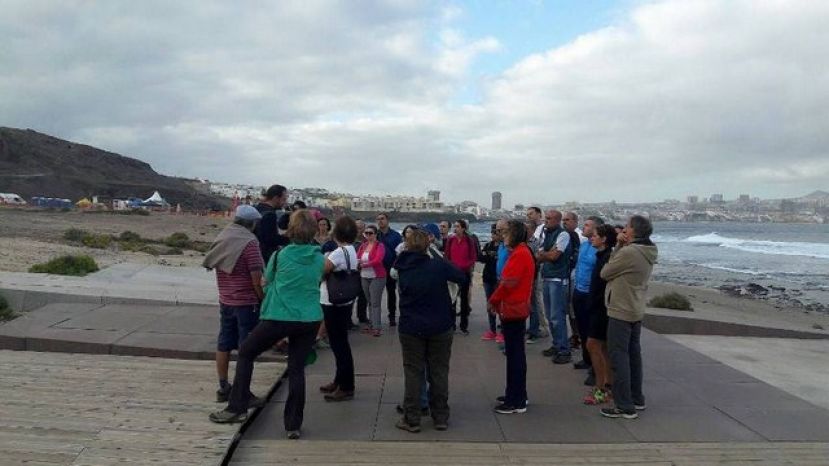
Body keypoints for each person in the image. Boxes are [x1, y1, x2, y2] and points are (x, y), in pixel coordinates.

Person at [210, 209, 324, 441]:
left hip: (280, 316)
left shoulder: (280, 255)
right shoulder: (320, 257)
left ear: (290, 231)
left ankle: (237, 407)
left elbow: (267, 279)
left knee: (246, 352)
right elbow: (320, 276)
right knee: (296, 369)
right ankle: (293, 425)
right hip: (310, 318)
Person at [394, 229, 469, 432]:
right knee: (439, 371)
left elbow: (394, 274)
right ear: (427, 246)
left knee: (413, 371)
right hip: (439, 323)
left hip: (411, 325)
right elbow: (460, 276)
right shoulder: (437, 265)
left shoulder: (401, 266)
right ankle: (440, 416)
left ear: (408, 245)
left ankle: (412, 418)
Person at [203, 205, 265, 403]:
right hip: (246, 303)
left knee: (224, 344)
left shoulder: (223, 237)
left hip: (226, 299)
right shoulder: (249, 243)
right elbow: (256, 278)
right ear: (253, 224)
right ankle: (242, 392)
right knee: (246, 349)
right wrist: (263, 298)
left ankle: (223, 387)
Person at [600, 215, 658, 420]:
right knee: (633, 355)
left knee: (619, 357)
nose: (624, 229)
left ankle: (624, 405)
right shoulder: (648, 250)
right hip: (635, 307)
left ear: (634, 231)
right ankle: (636, 397)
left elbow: (606, 272)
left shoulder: (630, 252)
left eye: (627, 226)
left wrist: (618, 247)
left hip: (621, 309)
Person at [489, 219, 534, 414]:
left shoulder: (520, 254)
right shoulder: (521, 252)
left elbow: (508, 282)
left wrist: (493, 300)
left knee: (514, 355)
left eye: (506, 233)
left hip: (513, 309)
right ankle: (516, 393)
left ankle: (516, 399)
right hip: (516, 307)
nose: (503, 236)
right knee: (515, 353)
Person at [319, 216, 359, 402]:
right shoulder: (351, 250)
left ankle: (346, 385)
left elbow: (322, 271)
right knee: (340, 342)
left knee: (339, 344)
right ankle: (340, 380)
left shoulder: (337, 253)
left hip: (332, 302)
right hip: (344, 301)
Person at [583, 223, 617, 406]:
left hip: (601, 309)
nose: (591, 237)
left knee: (593, 345)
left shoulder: (607, 257)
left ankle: (601, 389)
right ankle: (607, 386)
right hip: (598, 307)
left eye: (594, 235)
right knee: (602, 348)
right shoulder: (602, 256)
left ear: (604, 239)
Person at [537, 209, 573, 364]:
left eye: (549, 218)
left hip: (558, 280)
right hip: (547, 277)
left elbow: (554, 256)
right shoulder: (547, 234)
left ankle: (564, 350)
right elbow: (540, 255)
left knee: (557, 316)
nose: (546, 221)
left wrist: (546, 254)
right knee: (551, 316)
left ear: (557, 220)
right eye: (546, 218)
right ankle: (556, 344)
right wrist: (547, 254)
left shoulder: (563, 234)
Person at [571, 216, 604, 370]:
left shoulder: (600, 248)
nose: (583, 228)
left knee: (593, 332)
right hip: (578, 291)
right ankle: (586, 359)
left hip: (591, 294)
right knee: (582, 327)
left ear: (596, 229)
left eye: (587, 225)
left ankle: (595, 367)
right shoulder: (584, 245)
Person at [443, 219, 479, 335]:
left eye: (458, 226)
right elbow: (447, 255)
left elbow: (473, 257)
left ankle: (464, 325)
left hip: (464, 273)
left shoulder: (469, 240)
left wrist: (465, 266)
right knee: (451, 299)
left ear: (463, 228)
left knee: (464, 300)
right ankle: (451, 324)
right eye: (455, 226)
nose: (455, 228)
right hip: (452, 273)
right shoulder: (451, 240)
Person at [357, 224, 387, 336]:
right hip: (364, 276)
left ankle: (377, 327)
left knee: (375, 302)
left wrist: (363, 265)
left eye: (370, 233)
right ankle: (372, 323)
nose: (368, 235)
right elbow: (358, 257)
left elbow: (378, 260)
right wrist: (359, 263)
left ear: (375, 234)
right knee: (369, 301)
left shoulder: (380, 246)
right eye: (366, 233)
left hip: (377, 277)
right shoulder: (363, 245)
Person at [376, 213, 402, 326]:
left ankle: (392, 316)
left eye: (382, 219)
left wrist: (396, 266)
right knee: (375, 294)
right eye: (378, 219)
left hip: (391, 267)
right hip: (377, 268)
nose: (380, 221)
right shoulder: (375, 235)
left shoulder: (396, 235)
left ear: (387, 220)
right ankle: (374, 317)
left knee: (391, 293)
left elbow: (399, 253)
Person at [479, 223, 503, 343]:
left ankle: (502, 331)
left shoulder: (504, 247)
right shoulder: (488, 245)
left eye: (496, 233)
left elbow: (497, 259)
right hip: (487, 277)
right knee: (490, 304)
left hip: (498, 279)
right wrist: (489, 256)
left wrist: (490, 256)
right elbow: (481, 257)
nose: (493, 235)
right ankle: (492, 330)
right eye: (492, 233)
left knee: (501, 304)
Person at [253, 184, 288, 264]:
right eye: (284, 199)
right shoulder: (270, 214)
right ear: (276, 198)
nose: (285, 202)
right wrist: (289, 238)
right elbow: (271, 239)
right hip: (264, 256)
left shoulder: (257, 208)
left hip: (254, 252)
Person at [353, 220, 369, 325]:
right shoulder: (349, 240)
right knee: (351, 296)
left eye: (361, 227)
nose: (359, 230)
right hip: (352, 273)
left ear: (364, 228)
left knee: (364, 295)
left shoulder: (368, 240)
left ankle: (362, 316)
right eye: (357, 227)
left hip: (365, 271)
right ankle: (348, 320)